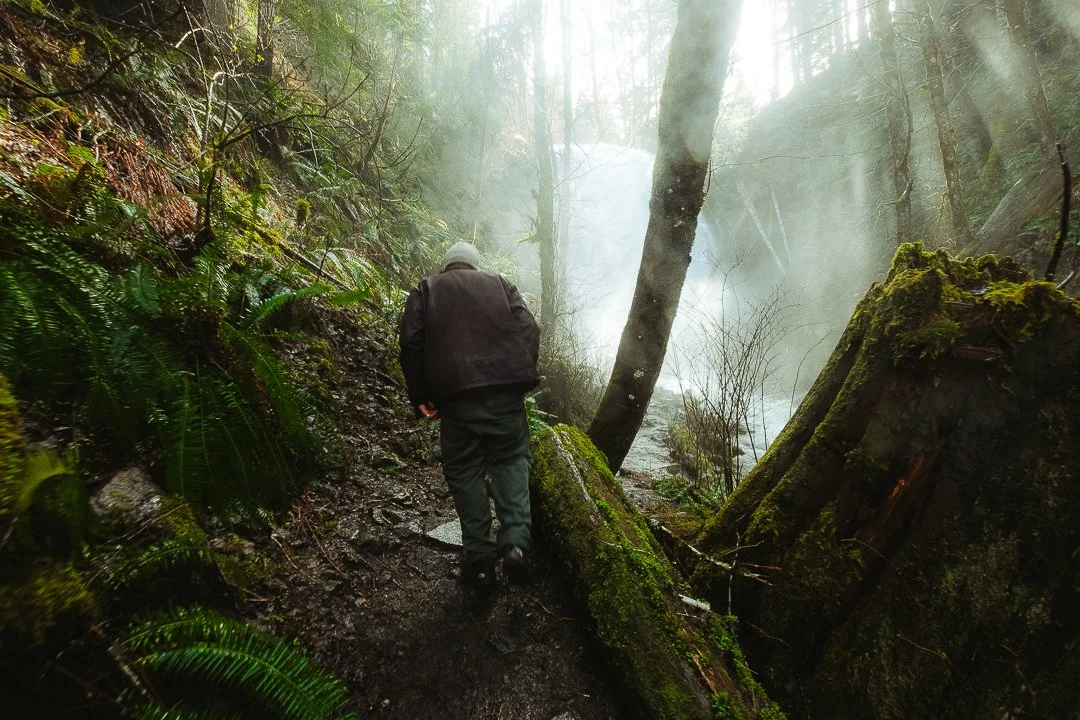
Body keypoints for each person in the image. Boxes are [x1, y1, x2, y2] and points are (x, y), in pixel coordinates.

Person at [398, 241, 540, 588]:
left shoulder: (426, 289)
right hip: (505, 396)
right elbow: (530, 329)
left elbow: (410, 342)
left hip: (456, 401)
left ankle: (478, 560)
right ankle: (516, 547)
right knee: (510, 461)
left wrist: (422, 394)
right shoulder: (500, 284)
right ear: (474, 265)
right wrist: (519, 374)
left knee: (464, 472)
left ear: (446, 264)